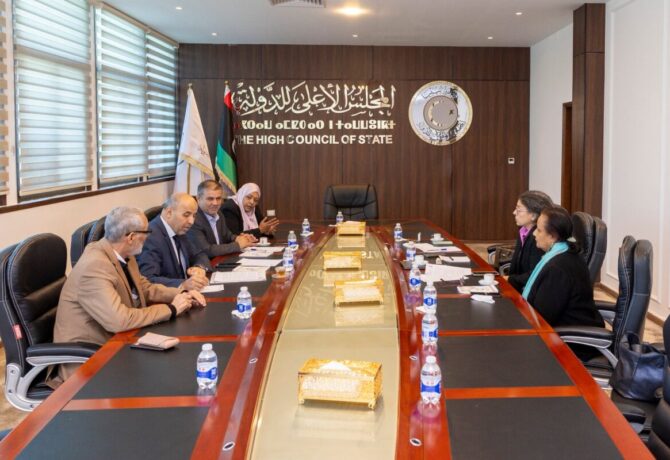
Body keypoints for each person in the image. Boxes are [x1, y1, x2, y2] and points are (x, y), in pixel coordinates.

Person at [51, 206, 206, 384]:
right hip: (89, 361)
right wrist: (171, 309)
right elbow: (120, 320)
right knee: (166, 376)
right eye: (147, 232)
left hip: (116, 342)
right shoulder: (94, 266)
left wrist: (182, 293)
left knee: (174, 364)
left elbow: (144, 287)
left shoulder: (122, 253)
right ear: (131, 237)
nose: (149, 236)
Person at [522, 206, 604, 330]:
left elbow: (542, 318)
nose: (534, 233)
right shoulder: (565, 252)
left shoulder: (557, 269)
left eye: (539, 230)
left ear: (552, 236)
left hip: (570, 335)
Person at [138, 193, 211, 289]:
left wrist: (199, 267)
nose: (191, 221)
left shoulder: (179, 229)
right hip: (170, 295)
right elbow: (148, 279)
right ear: (169, 213)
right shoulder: (150, 237)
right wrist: (183, 284)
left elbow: (199, 254)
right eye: (186, 215)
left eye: (194, 216)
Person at [188, 180, 256, 258]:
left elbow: (227, 235)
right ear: (198, 199)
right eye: (210, 199)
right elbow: (206, 250)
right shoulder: (193, 219)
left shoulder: (219, 213)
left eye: (218, 198)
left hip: (222, 259)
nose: (215, 203)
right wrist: (238, 245)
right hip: (206, 263)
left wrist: (240, 238)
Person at [507, 190, 554, 292]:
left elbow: (535, 274)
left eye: (518, 210)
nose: (514, 213)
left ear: (533, 215)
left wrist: (508, 279)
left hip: (529, 292)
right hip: (516, 287)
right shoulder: (524, 230)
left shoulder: (539, 239)